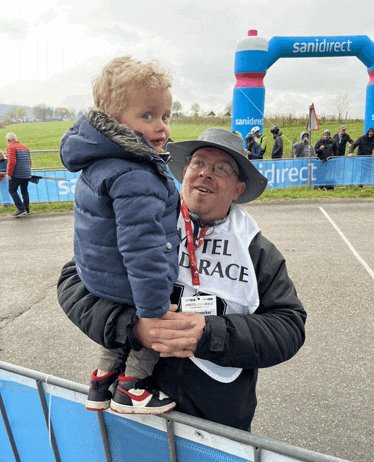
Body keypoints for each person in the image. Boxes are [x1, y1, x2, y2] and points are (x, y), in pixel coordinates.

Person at [57, 127, 306, 432]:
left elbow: (289, 326)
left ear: (238, 189)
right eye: (198, 163)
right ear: (184, 172)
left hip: (218, 417)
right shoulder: (142, 218)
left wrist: (210, 334)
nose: (205, 174)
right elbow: (73, 280)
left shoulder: (255, 249)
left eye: (221, 168)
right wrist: (132, 327)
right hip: (133, 406)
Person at [59, 55, 182, 415]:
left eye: (165, 116)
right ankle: (132, 388)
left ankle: (101, 381)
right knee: (152, 331)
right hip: (129, 282)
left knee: (117, 337)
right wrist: (154, 310)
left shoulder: (99, 163)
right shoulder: (135, 175)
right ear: (114, 122)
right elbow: (142, 247)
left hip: (100, 278)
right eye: (147, 116)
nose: (162, 127)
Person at [5, 132, 32, 217]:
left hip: (17, 173)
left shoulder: (11, 147)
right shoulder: (25, 147)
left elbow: (12, 162)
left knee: (12, 190)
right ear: (16, 139)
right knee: (24, 190)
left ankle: (21, 208)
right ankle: (27, 209)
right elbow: (29, 161)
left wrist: (8, 173)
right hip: (26, 173)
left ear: (8, 140)